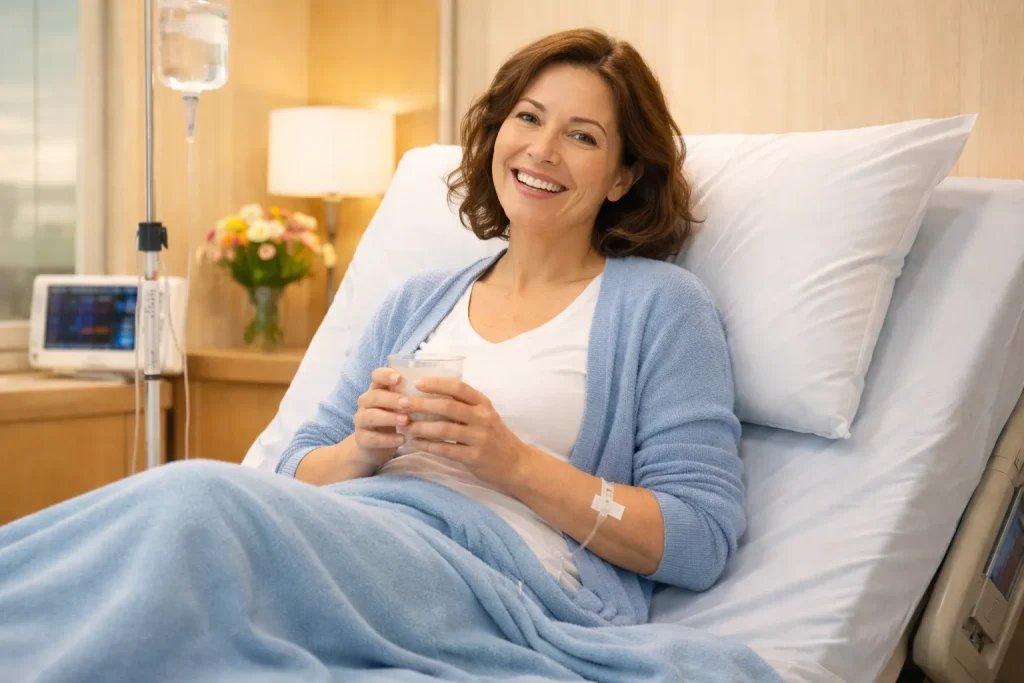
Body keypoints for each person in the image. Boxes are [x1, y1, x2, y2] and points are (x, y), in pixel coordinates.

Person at [0, 29, 759, 682]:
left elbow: (697, 538)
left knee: (194, 501)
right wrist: (361, 448)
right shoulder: (416, 300)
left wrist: (515, 464)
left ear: (624, 175)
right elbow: (298, 467)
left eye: (583, 135)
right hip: (357, 535)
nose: (542, 148)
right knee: (176, 558)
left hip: (495, 576)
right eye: (527, 117)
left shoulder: (661, 306)